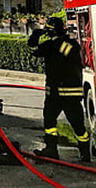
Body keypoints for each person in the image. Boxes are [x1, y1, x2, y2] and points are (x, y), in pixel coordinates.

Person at [28, 16, 90, 162]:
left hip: (70, 95)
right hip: (53, 95)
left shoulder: (70, 45)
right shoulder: (49, 45)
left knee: (77, 125)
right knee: (49, 122)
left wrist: (55, 39)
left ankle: (85, 153)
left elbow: (68, 52)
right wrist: (34, 37)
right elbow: (34, 50)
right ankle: (51, 150)